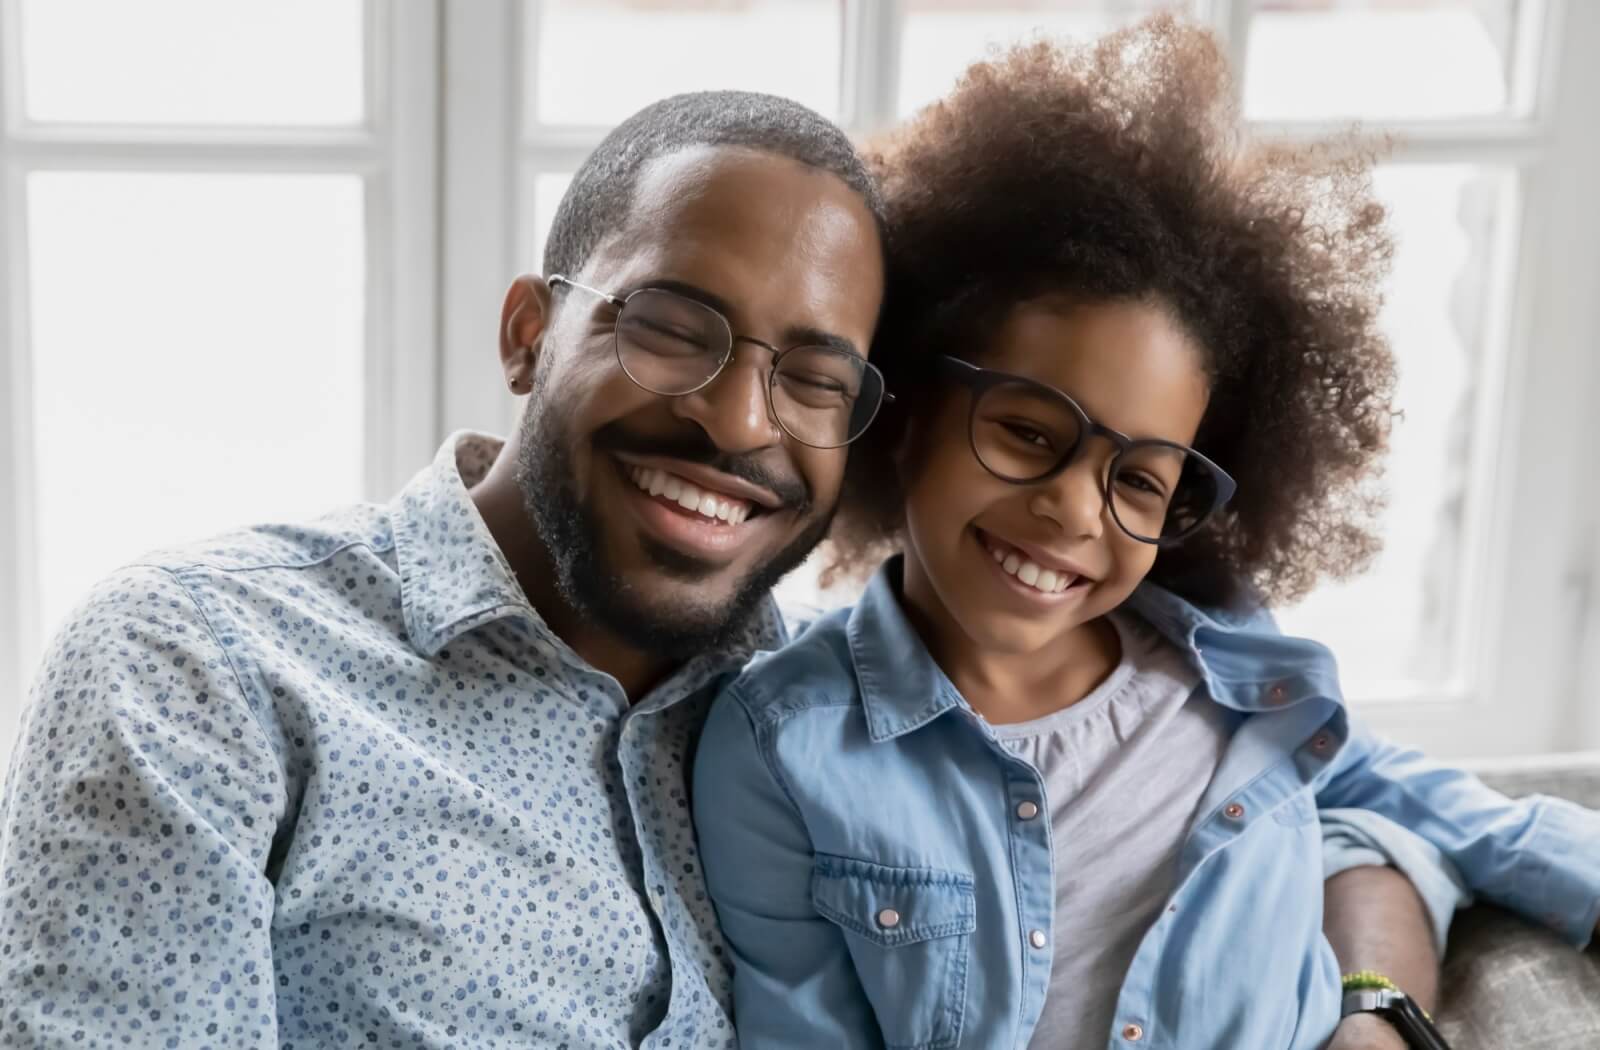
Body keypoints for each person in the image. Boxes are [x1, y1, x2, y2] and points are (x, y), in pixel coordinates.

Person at [0, 85, 1448, 1048]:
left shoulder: (838, 714)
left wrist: (1379, 1002)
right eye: (675, 326)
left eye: (817, 378)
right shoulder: (206, 665)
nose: (739, 420)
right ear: (528, 331)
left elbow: (1292, 818)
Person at [692, 20, 1600, 1050]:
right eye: (1027, 432)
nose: (1078, 510)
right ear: (902, 414)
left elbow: (1406, 796)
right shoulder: (782, 745)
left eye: (1139, 479)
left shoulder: (1228, 663)